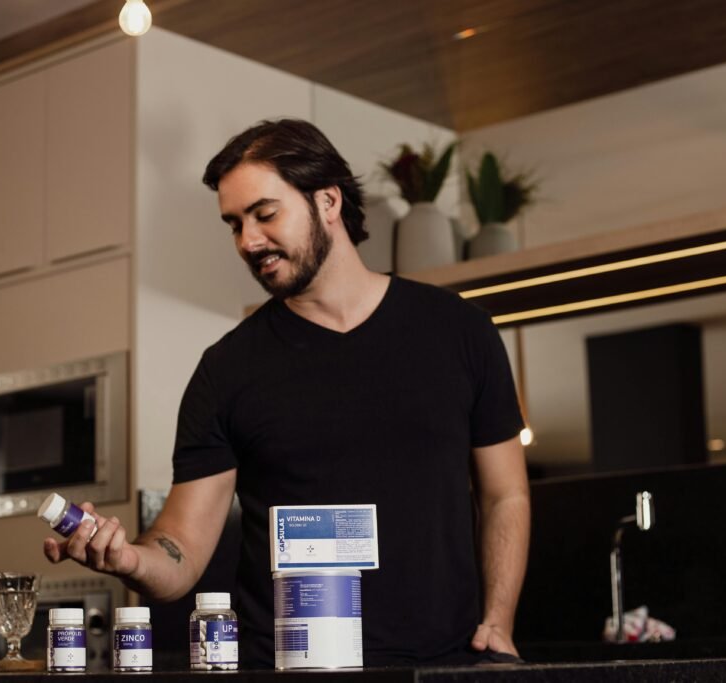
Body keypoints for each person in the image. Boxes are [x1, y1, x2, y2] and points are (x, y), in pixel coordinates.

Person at [44, 119, 531, 667]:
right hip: (286, 669)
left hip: (443, 667)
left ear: (327, 201)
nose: (248, 241)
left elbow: (504, 494)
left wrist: (499, 620)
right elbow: (179, 552)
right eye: (234, 224)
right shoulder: (227, 369)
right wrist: (129, 559)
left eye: (265, 214)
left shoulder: (459, 331)